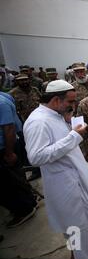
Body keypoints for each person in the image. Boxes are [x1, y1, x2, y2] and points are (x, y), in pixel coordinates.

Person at [23, 80, 88, 259]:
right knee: (77, 227)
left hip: (76, 178)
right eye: (70, 102)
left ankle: (77, 252)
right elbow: (36, 157)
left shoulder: (55, 115)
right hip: (66, 186)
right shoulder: (38, 122)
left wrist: (69, 125)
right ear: (55, 101)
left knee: (82, 225)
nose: (73, 106)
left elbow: (58, 140)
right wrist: (74, 136)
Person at [0, 92, 38, 228]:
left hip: (6, 147)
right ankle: (29, 201)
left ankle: (25, 209)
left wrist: (9, 153)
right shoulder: (6, 95)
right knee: (16, 177)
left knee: (8, 182)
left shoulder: (1, 102)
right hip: (11, 144)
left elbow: (9, 128)